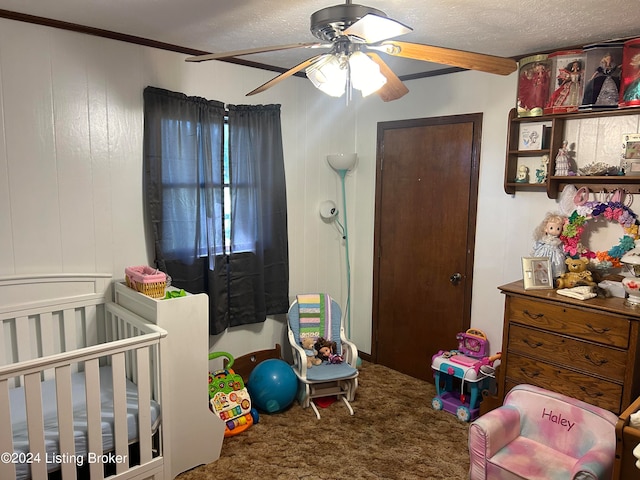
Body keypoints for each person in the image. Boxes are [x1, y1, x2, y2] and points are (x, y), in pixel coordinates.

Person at [532, 212, 568, 279]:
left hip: (556, 256)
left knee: (557, 266)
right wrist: (534, 253)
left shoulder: (559, 241)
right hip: (544, 255)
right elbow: (536, 246)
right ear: (545, 228)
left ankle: (554, 279)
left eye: (558, 229)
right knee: (542, 266)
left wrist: (566, 253)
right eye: (551, 228)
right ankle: (542, 278)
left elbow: (563, 249)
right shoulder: (544, 239)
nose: (554, 231)